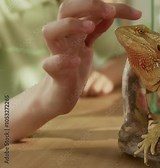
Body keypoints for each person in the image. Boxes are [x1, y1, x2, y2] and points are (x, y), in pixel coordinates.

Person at [0, 0, 141, 149]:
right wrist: (43, 100)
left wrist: (106, 75)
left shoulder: (74, 7)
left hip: (62, 130)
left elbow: (128, 56)